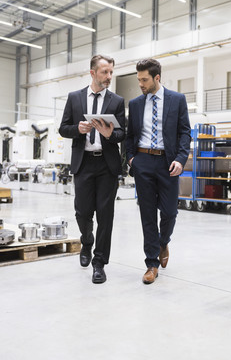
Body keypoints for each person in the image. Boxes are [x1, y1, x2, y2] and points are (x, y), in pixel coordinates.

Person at [59, 55, 125, 284]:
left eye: (111, 72)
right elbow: (63, 128)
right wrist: (77, 128)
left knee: (105, 216)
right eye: (104, 72)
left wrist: (110, 134)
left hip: (106, 164)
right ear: (92, 73)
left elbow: (122, 133)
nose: (109, 77)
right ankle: (87, 242)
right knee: (82, 211)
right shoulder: (75, 98)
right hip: (84, 163)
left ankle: (99, 263)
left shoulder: (117, 101)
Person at [126, 58, 191, 284]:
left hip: (168, 163)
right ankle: (151, 263)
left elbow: (185, 133)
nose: (141, 84)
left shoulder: (177, 99)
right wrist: (132, 158)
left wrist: (181, 159)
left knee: (170, 212)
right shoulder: (135, 104)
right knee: (147, 214)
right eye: (139, 80)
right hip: (143, 161)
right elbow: (130, 135)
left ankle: (164, 242)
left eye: (144, 80)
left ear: (157, 78)